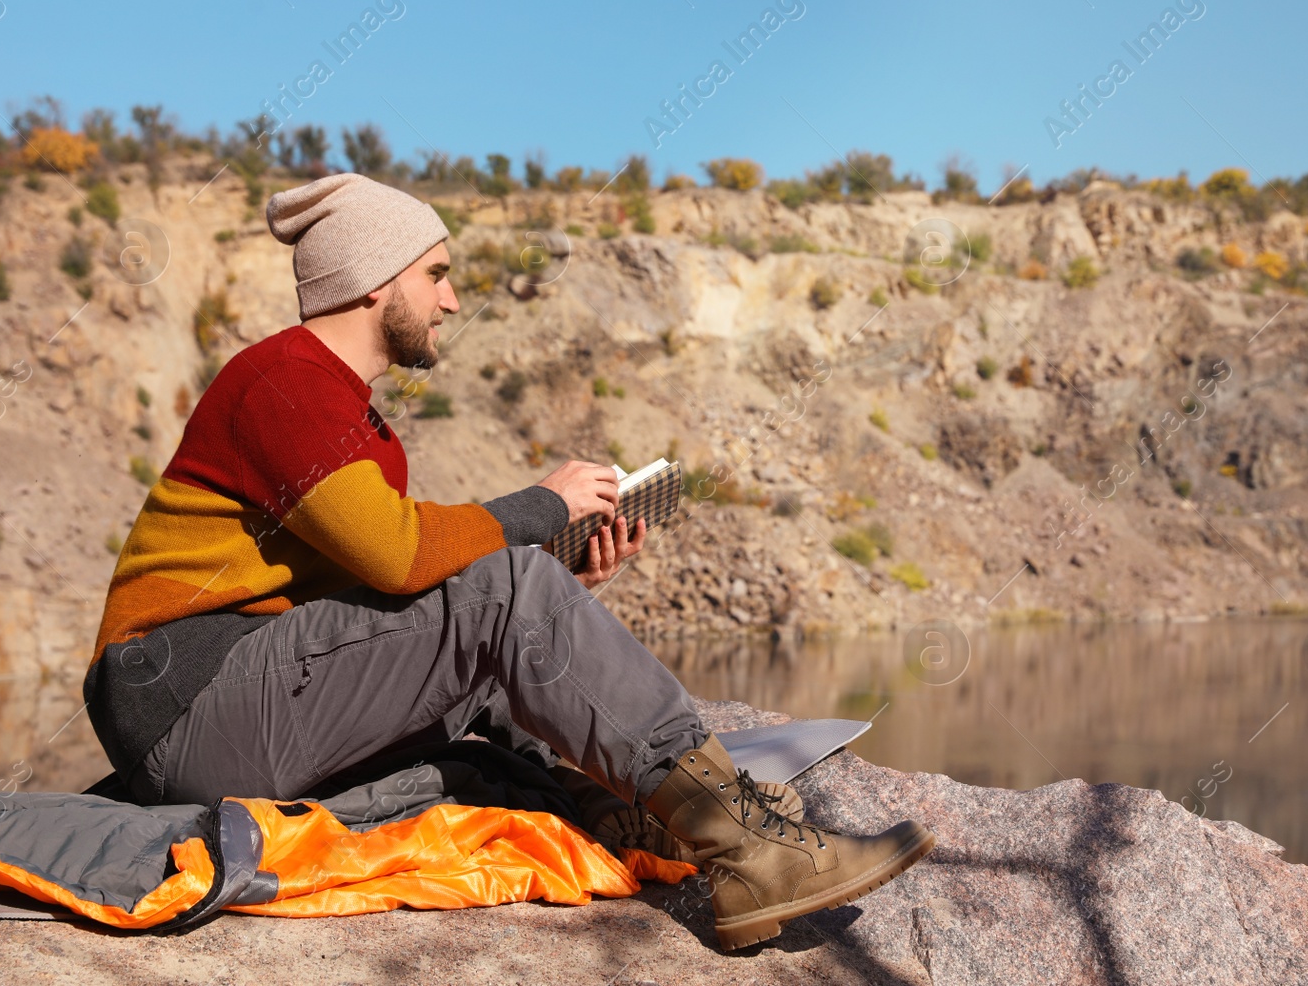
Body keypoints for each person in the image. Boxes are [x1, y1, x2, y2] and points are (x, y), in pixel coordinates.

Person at [84, 172, 934, 950]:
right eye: (437, 274)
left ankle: (634, 819)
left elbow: (388, 616)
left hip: (247, 696)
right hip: (184, 699)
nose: (451, 300)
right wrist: (541, 508)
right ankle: (747, 845)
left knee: (502, 629)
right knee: (498, 587)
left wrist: (557, 588)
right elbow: (398, 553)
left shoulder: (361, 427)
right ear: (375, 280)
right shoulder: (283, 380)